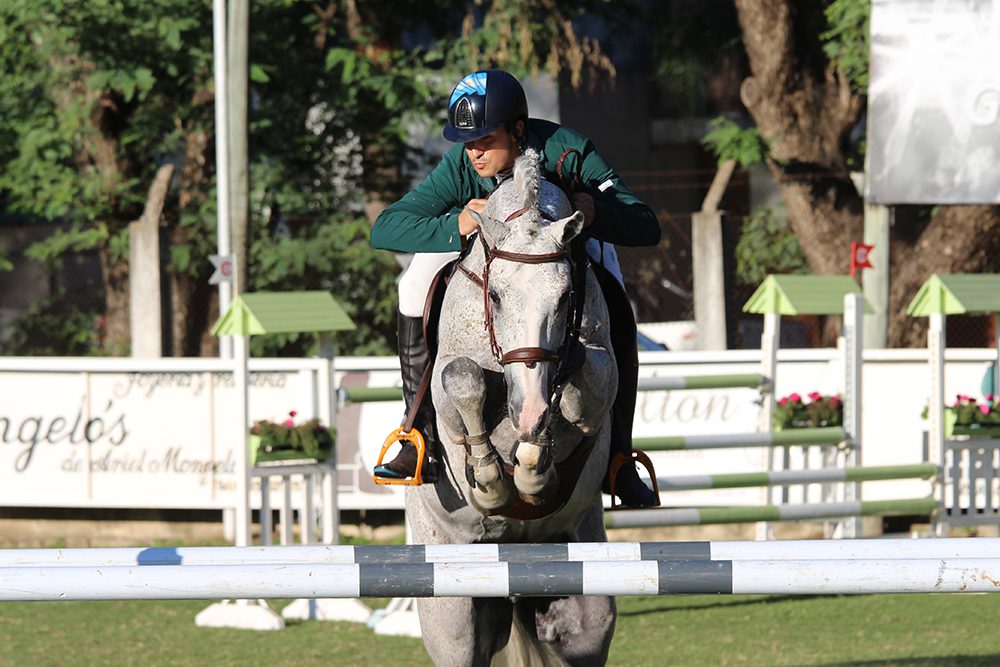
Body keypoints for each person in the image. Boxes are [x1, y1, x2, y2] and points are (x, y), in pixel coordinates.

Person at [369, 68, 660, 507]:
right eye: (468, 142)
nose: (474, 154)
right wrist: (458, 223)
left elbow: (645, 224)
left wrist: (596, 211)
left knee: (615, 292)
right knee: (412, 286)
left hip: (561, 247)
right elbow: (385, 228)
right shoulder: (461, 167)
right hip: (482, 240)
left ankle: (620, 455)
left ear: (518, 129)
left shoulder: (569, 152)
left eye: (485, 140)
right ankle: (418, 434)